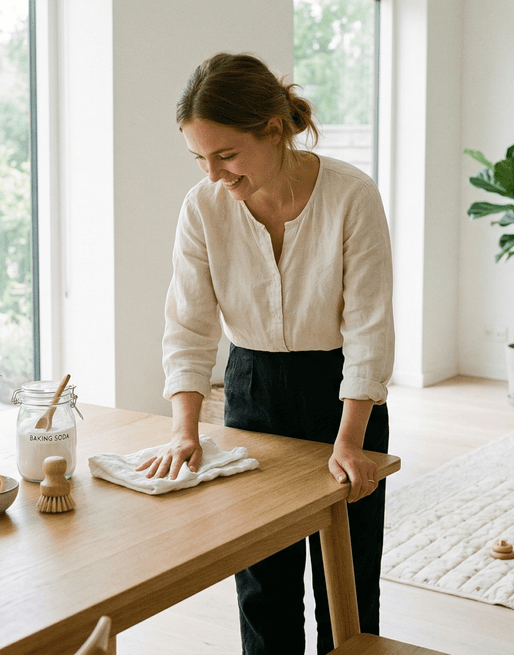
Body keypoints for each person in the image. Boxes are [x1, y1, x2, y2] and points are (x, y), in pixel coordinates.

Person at [138, 52, 394, 654]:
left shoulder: (351, 194)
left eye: (226, 155)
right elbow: (189, 323)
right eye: (200, 158)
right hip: (251, 390)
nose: (214, 175)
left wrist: (351, 438)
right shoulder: (202, 208)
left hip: (344, 398)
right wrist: (184, 429)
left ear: (275, 129)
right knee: (262, 582)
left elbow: (369, 326)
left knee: (349, 584)